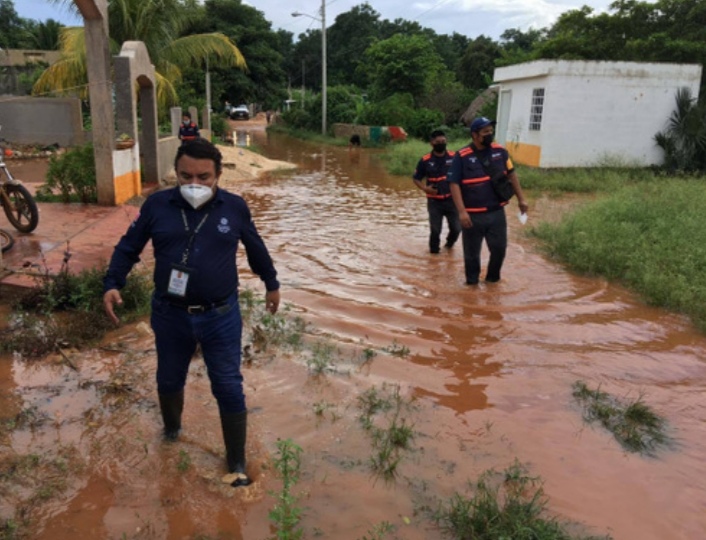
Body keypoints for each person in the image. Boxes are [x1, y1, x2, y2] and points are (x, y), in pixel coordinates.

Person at [102, 139, 280, 488]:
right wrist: (113, 282)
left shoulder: (235, 207)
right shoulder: (156, 205)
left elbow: (256, 247)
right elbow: (128, 246)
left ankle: (237, 463)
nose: (194, 184)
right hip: (170, 314)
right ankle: (171, 434)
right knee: (169, 379)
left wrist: (271, 282)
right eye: (185, 176)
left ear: (219, 175)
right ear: (176, 173)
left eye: (203, 176)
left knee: (228, 387)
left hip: (221, 314)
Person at [447, 117, 529, 284]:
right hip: (472, 216)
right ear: (475, 135)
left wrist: (522, 199)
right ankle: (471, 287)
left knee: (499, 250)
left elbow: (512, 174)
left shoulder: (501, 152)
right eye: (485, 132)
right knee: (471, 255)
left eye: (491, 131)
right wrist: (462, 212)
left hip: (497, 213)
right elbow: (453, 183)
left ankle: (492, 282)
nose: (490, 135)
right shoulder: (461, 156)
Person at [412, 129, 461, 254]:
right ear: (432, 143)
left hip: (452, 200)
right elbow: (416, 178)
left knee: (456, 229)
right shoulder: (425, 160)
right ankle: (433, 257)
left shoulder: (454, 157)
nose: (441, 144)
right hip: (435, 202)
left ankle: (449, 247)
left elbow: (463, 176)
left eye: (443, 141)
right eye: (438, 142)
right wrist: (424, 188)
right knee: (435, 230)